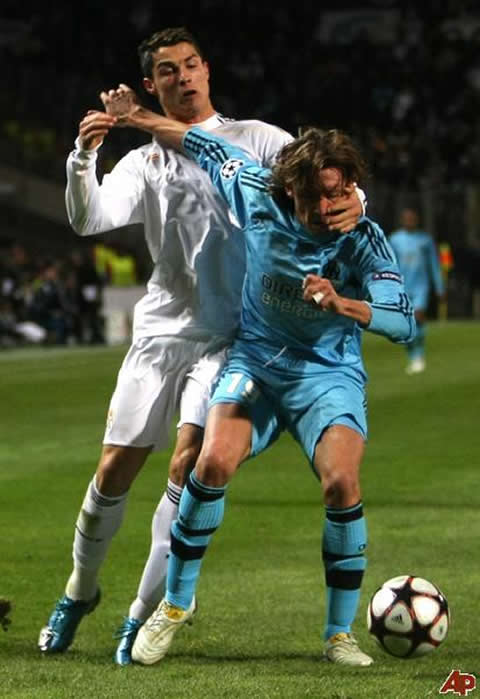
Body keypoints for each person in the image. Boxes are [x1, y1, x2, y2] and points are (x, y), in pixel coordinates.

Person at [38, 27, 365, 664]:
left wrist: (355, 202)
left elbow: (333, 182)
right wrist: (82, 158)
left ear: (207, 71)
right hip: (160, 333)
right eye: (168, 70)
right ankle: (79, 591)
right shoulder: (143, 161)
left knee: (188, 466)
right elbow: (90, 219)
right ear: (154, 82)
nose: (183, 77)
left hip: (231, 337)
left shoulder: (260, 140)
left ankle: (142, 614)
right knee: (112, 471)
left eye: (191, 65)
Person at [101, 91, 415, 667]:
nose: (331, 206)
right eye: (319, 195)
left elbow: (403, 320)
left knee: (341, 484)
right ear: (290, 189)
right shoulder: (252, 192)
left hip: (327, 376)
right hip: (257, 364)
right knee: (210, 463)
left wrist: (343, 304)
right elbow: (199, 141)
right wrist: (138, 118)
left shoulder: (363, 238)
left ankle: (337, 634)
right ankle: (174, 605)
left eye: (342, 192)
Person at [389, 207, 445, 374]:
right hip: (402, 287)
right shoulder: (395, 240)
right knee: (406, 325)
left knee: (419, 317)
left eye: (412, 218)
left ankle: (419, 355)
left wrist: (439, 287)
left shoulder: (425, 240)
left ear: (416, 220)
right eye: (406, 218)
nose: (409, 221)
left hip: (421, 287)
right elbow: (390, 264)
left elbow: (433, 265)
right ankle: (413, 355)